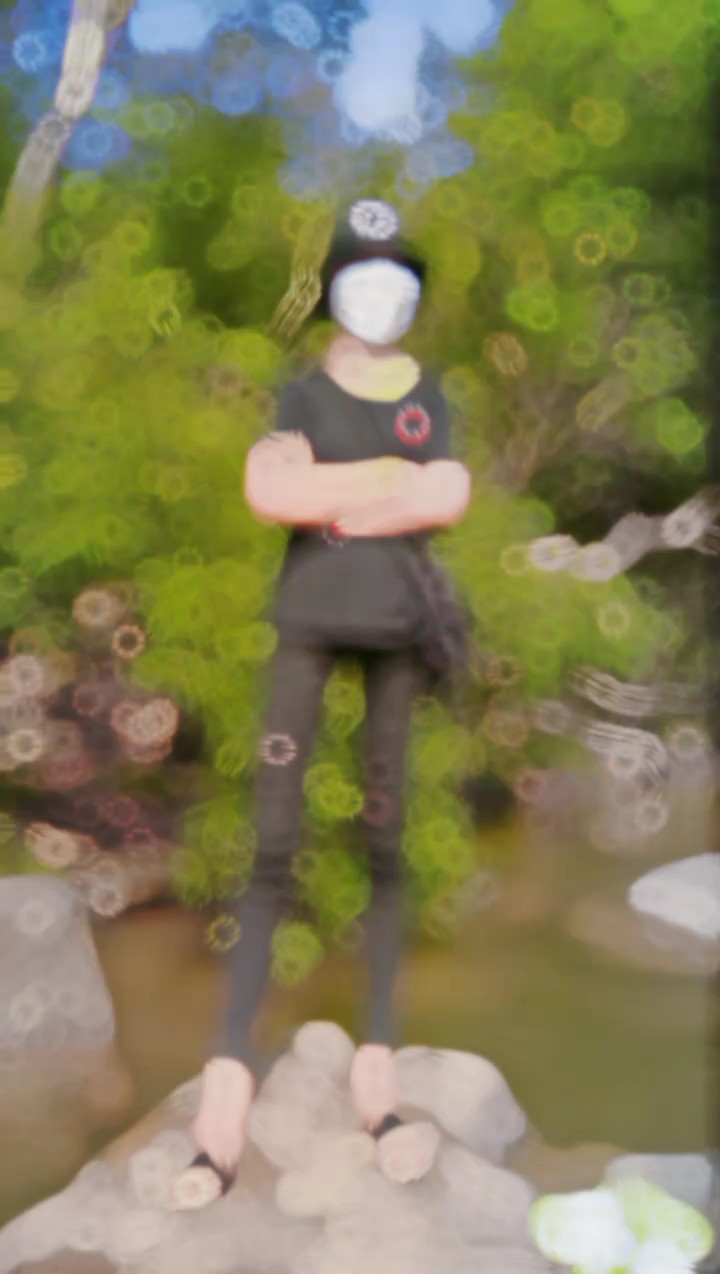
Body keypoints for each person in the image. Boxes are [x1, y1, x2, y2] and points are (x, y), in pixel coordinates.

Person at [172, 200, 472, 1209]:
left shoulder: (429, 391)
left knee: (384, 842)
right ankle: (226, 1086)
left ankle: (376, 1070)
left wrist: (339, 498)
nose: (384, 295)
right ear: (334, 287)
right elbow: (271, 492)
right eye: (364, 276)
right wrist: (392, 480)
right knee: (270, 845)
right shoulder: (299, 390)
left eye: (400, 279)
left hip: (399, 635)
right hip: (306, 624)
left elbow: (449, 494)